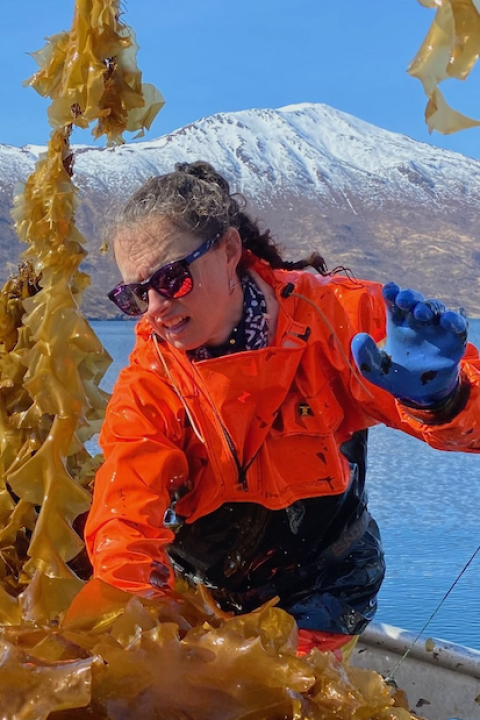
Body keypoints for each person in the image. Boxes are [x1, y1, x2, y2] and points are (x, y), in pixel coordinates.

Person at [85, 160, 480, 655]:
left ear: (229, 251)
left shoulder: (338, 318)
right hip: (206, 594)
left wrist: (445, 398)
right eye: (135, 294)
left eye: (171, 279)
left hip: (327, 587)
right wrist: (137, 624)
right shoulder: (150, 381)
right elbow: (124, 518)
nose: (155, 308)